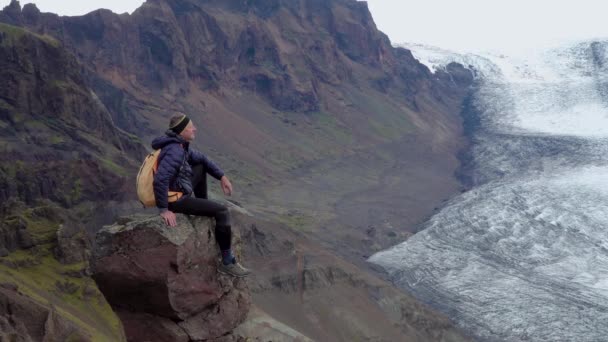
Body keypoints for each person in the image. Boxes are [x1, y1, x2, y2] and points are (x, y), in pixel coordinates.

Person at [151, 113, 250, 277]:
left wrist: (222, 177)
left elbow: (202, 159)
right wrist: (164, 209)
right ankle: (226, 262)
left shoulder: (180, 146)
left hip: (179, 190)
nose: (195, 129)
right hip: (175, 200)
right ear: (182, 131)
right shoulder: (175, 151)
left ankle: (203, 205)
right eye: (191, 127)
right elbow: (160, 179)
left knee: (200, 165)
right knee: (222, 211)